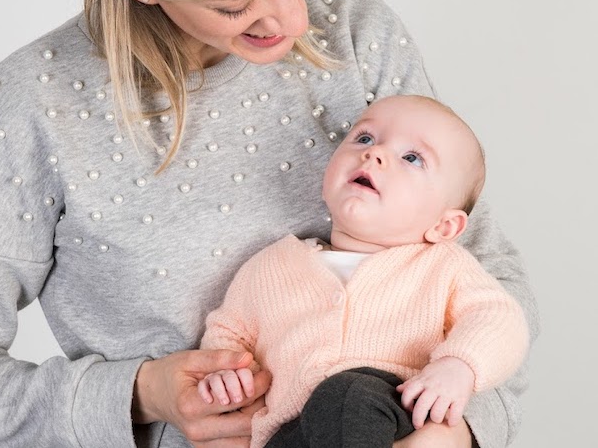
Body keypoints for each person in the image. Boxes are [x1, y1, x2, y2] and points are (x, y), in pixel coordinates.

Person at [0, 0, 537, 447]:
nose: (295, 21)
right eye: (236, 5)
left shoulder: (357, 34)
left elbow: (489, 290)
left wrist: (456, 431)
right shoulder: (31, 107)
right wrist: (140, 392)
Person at [198, 94, 529, 448]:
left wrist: (459, 366)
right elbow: (229, 332)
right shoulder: (270, 266)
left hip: (396, 412)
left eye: (412, 158)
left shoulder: (443, 265)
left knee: (346, 393)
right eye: (365, 138)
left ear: (444, 227)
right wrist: (225, 374)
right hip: (290, 432)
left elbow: (498, 317)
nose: (374, 153)